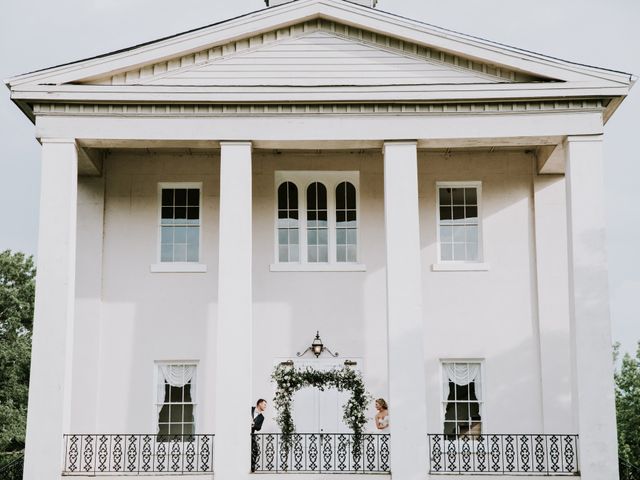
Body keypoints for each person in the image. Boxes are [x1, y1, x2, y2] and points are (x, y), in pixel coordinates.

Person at [251, 399, 267, 472]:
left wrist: (253, 425)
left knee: (256, 451)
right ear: (259, 404)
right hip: (242, 433)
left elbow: (259, 428)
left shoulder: (262, 417)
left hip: (251, 434)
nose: (265, 406)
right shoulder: (250, 409)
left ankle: (252, 466)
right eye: (264, 404)